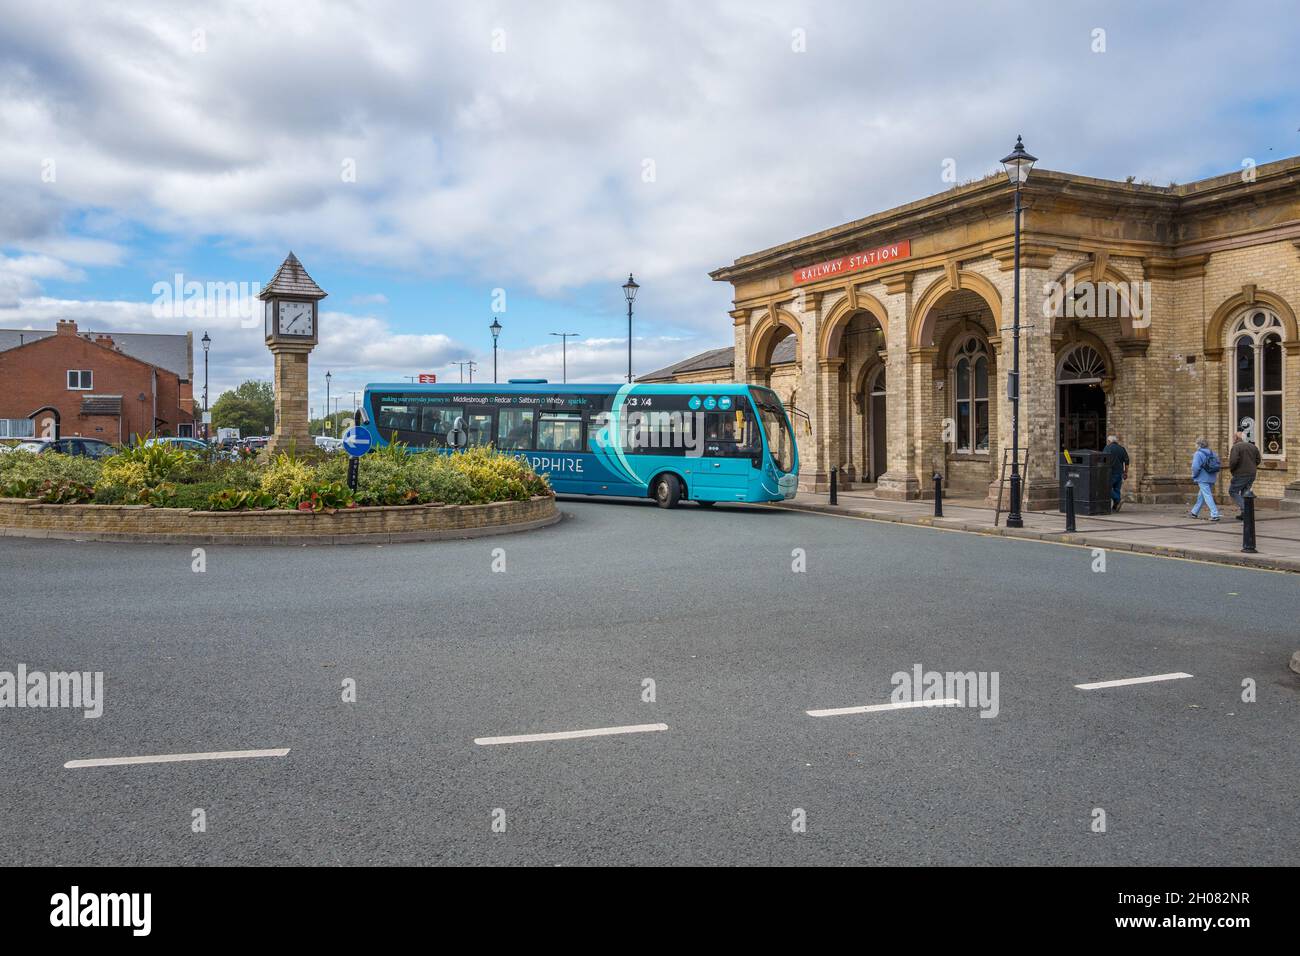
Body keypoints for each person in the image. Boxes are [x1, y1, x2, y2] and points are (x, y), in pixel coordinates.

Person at [1227, 430, 1260, 520]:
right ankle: (1244, 514)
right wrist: (1252, 467)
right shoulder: (1253, 447)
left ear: (1237, 438)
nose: (1233, 439)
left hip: (1240, 474)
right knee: (1245, 493)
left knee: (1232, 491)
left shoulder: (1236, 447)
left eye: (1234, 437)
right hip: (1252, 474)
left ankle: (1246, 510)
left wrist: (1232, 470)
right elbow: (1258, 460)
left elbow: (1233, 461)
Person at [1188, 438, 1221, 521]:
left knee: (1207, 495)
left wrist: (1194, 475)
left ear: (1199, 445)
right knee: (1201, 495)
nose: (1195, 445)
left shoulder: (1198, 453)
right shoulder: (1213, 453)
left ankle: (1215, 514)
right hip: (1211, 477)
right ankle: (1194, 512)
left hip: (1202, 477)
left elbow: (1195, 467)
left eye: (1196, 443)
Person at [1101, 434, 1130, 512]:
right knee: (1117, 489)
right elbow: (1127, 461)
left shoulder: (1107, 448)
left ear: (1109, 441)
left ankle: (1117, 500)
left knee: (1106, 488)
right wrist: (1126, 472)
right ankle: (1115, 507)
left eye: (1108, 441)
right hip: (1120, 472)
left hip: (1110, 472)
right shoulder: (1122, 449)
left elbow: (1103, 460)